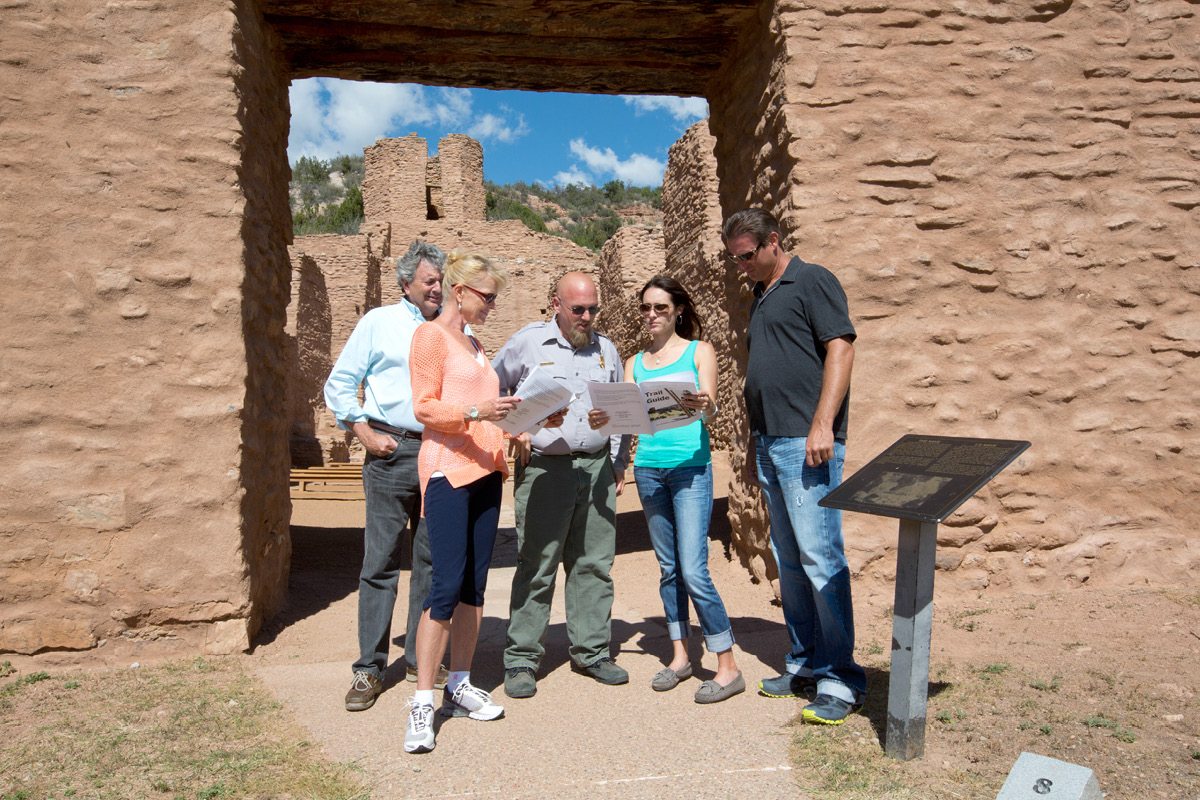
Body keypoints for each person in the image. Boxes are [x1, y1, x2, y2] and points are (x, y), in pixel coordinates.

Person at [721, 208, 867, 725]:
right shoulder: (762, 294)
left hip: (807, 444)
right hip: (770, 444)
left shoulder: (812, 280)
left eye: (747, 256)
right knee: (791, 559)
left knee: (820, 556)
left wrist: (823, 422)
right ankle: (806, 664)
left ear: (772, 242)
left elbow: (841, 349)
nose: (741, 266)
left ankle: (842, 679)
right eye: (734, 258)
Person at [588, 275, 744, 704]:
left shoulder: (700, 351)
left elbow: (712, 410)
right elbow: (626, 423)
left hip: (691, 470)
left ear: (677, 310)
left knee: (694, 569)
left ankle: (727, 665)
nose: (651, 315)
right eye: (645, 308)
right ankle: (680, 657)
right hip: (651, 470)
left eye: (659, 307)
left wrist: (704, 404)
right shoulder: (634, 363)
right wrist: (608, 429)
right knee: (669, 569)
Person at [324, 239, 449, 713]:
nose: (437, 289)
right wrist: (361, 431)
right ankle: (370, 667)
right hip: (391, 449)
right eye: (429, 281)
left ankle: (421, 658)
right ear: (406, 284)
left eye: (441, 281)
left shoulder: (449, 330)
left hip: (437, 453)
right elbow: (339, 382)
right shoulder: (379, 323)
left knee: (431, 563)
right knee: (379, 563)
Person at [492, 272, 631, 699]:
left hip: (595, 470)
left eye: (593, 309)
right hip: (545, 470)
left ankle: (591, 652)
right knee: (537, 565)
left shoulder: (607, 350)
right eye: (578, 309)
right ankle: (522, 658)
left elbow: (621, 409)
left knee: (593, 563)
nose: (587, 317)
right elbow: (492, 390)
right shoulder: (527, 343)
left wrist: (617, 463)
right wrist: (517, 433)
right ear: (556, 303)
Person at [403, 251, 521, 754]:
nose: (492, 305)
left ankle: (461, 683)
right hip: (450, 471)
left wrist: (522, 420)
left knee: (474, 587)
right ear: (460, 292)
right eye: (487, 296)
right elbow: (424, 406)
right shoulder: (431, 336)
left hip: (487, 470)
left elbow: (487, 408)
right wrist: (478, 409)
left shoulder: (474, 342)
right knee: (444, 587)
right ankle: (422, 700)